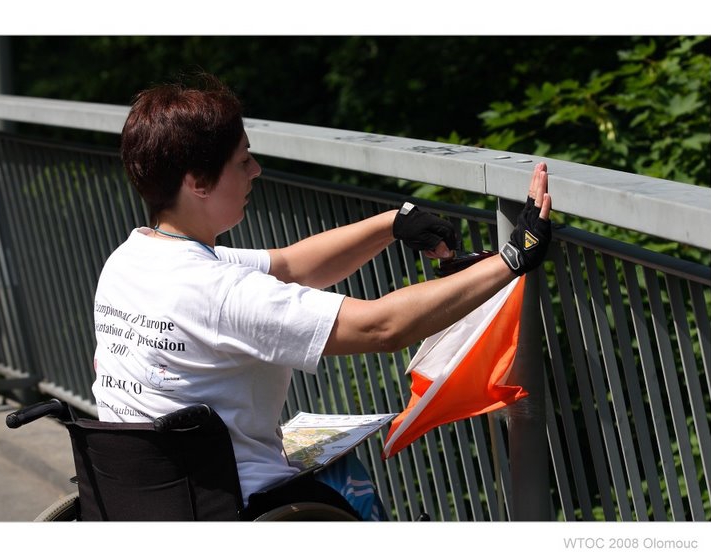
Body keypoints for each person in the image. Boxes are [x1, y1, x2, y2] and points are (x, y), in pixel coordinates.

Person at [91, 74, 552, 521]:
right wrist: (514, 257)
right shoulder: (219, 293)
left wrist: (392, 224)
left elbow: (292, 267)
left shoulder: (129, 261)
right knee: (350, 480)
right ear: (197, 182)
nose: (256, 170)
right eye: (243, 160)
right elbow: (381, 328)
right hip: (240, 505)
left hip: (147, 501)